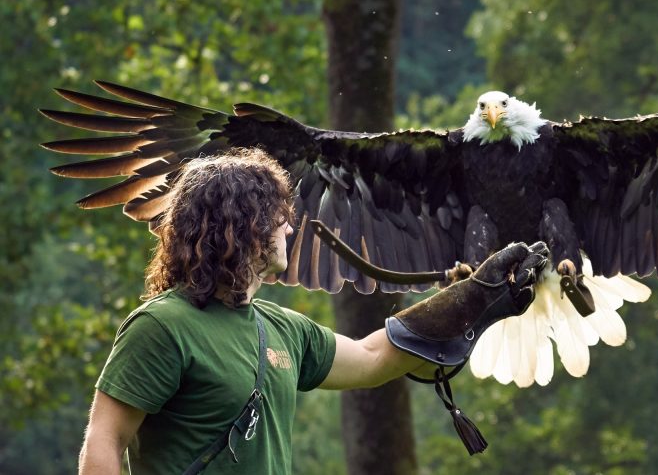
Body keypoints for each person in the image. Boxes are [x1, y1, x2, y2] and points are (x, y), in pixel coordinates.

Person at [78, 148, 544, 474]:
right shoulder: (162, 327)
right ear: (240, 225)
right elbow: (105, 440)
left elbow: (374, 357)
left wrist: (477, 301)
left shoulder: (282, 329)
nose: (288, 224)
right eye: (276, 212)